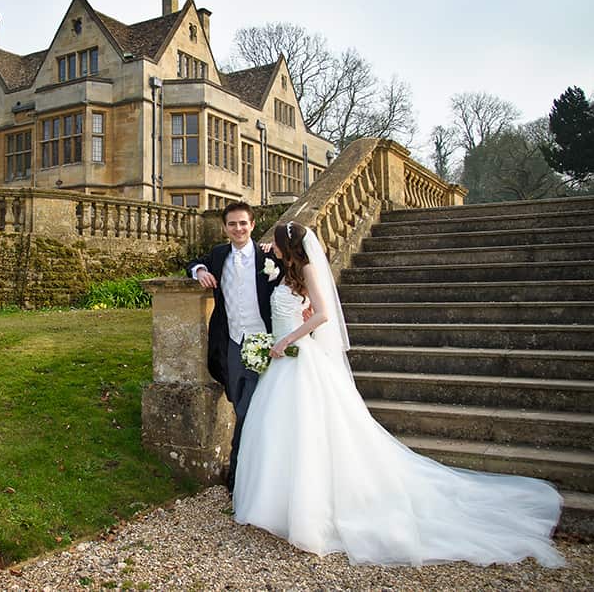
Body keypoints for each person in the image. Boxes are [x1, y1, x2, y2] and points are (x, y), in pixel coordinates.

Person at [233, 221, 565, 567]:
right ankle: (275, 505)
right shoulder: (286, 269)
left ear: (289, 245)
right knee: (279, 433)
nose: (270, 243)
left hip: (298, 355)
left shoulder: (309, 268)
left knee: (309, 434)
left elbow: (323, 314)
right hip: (283, 361)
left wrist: (287, 339)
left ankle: (309, 511)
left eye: (276, 239)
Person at [186, 201, 282, 493]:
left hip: (265, 342)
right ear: (225, 228)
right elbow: (193, 262)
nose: (238, 229)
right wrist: (200, 271)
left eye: (243, 223)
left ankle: (240, 475)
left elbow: (297, 276)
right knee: (240, 403)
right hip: (232, 342)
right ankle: (248, 475)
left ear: (253, 225)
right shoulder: (218, 255)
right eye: (232, 224)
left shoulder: (269, 257)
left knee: (250, 409)